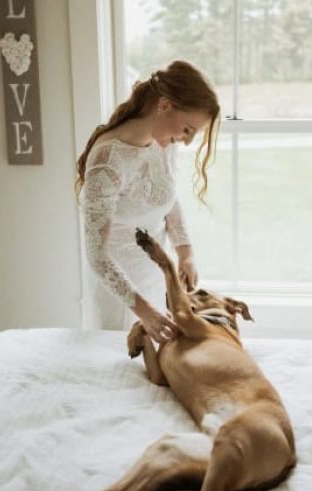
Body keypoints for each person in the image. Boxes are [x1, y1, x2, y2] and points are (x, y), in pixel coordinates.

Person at [75, 60, 221, 344]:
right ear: (164, 106)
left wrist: (185, 251)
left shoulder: (163, 142)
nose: (188, 142)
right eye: (188, 129)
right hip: (118, 294)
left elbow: (166, 196)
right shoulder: (108, 161)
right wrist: (146, 313)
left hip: (154, 277)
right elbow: (97, 255)